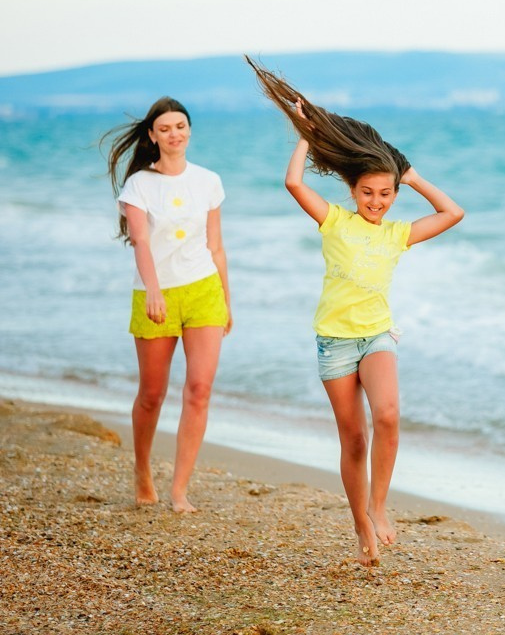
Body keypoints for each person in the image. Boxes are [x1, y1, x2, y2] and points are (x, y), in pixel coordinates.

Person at [246, 56, 464, 566]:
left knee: (387, 414)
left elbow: (453, 213)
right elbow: (294, 183)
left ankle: (380, 507)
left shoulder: (398, 233)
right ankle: (361, 526)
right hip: (334, 341)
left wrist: (409, 176)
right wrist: (307, 133)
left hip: (377, 335)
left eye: (385, 194)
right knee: (354, 439)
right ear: (352, 191)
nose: (377, 201)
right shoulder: (336, 222)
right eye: (368, 192)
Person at [102, 97, 232, 513]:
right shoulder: (139, 184)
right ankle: (142, 470)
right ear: (152, 136)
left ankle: (179, 490)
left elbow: (215, 245)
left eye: (181, 125)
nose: (174, 133)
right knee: (152, 394)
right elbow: (140, 240)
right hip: (154, 293)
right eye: (165, 128)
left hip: (203, 292)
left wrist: (227, 299)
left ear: (189, 130)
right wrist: (154, 290)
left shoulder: (209, 180)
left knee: (199, 390)